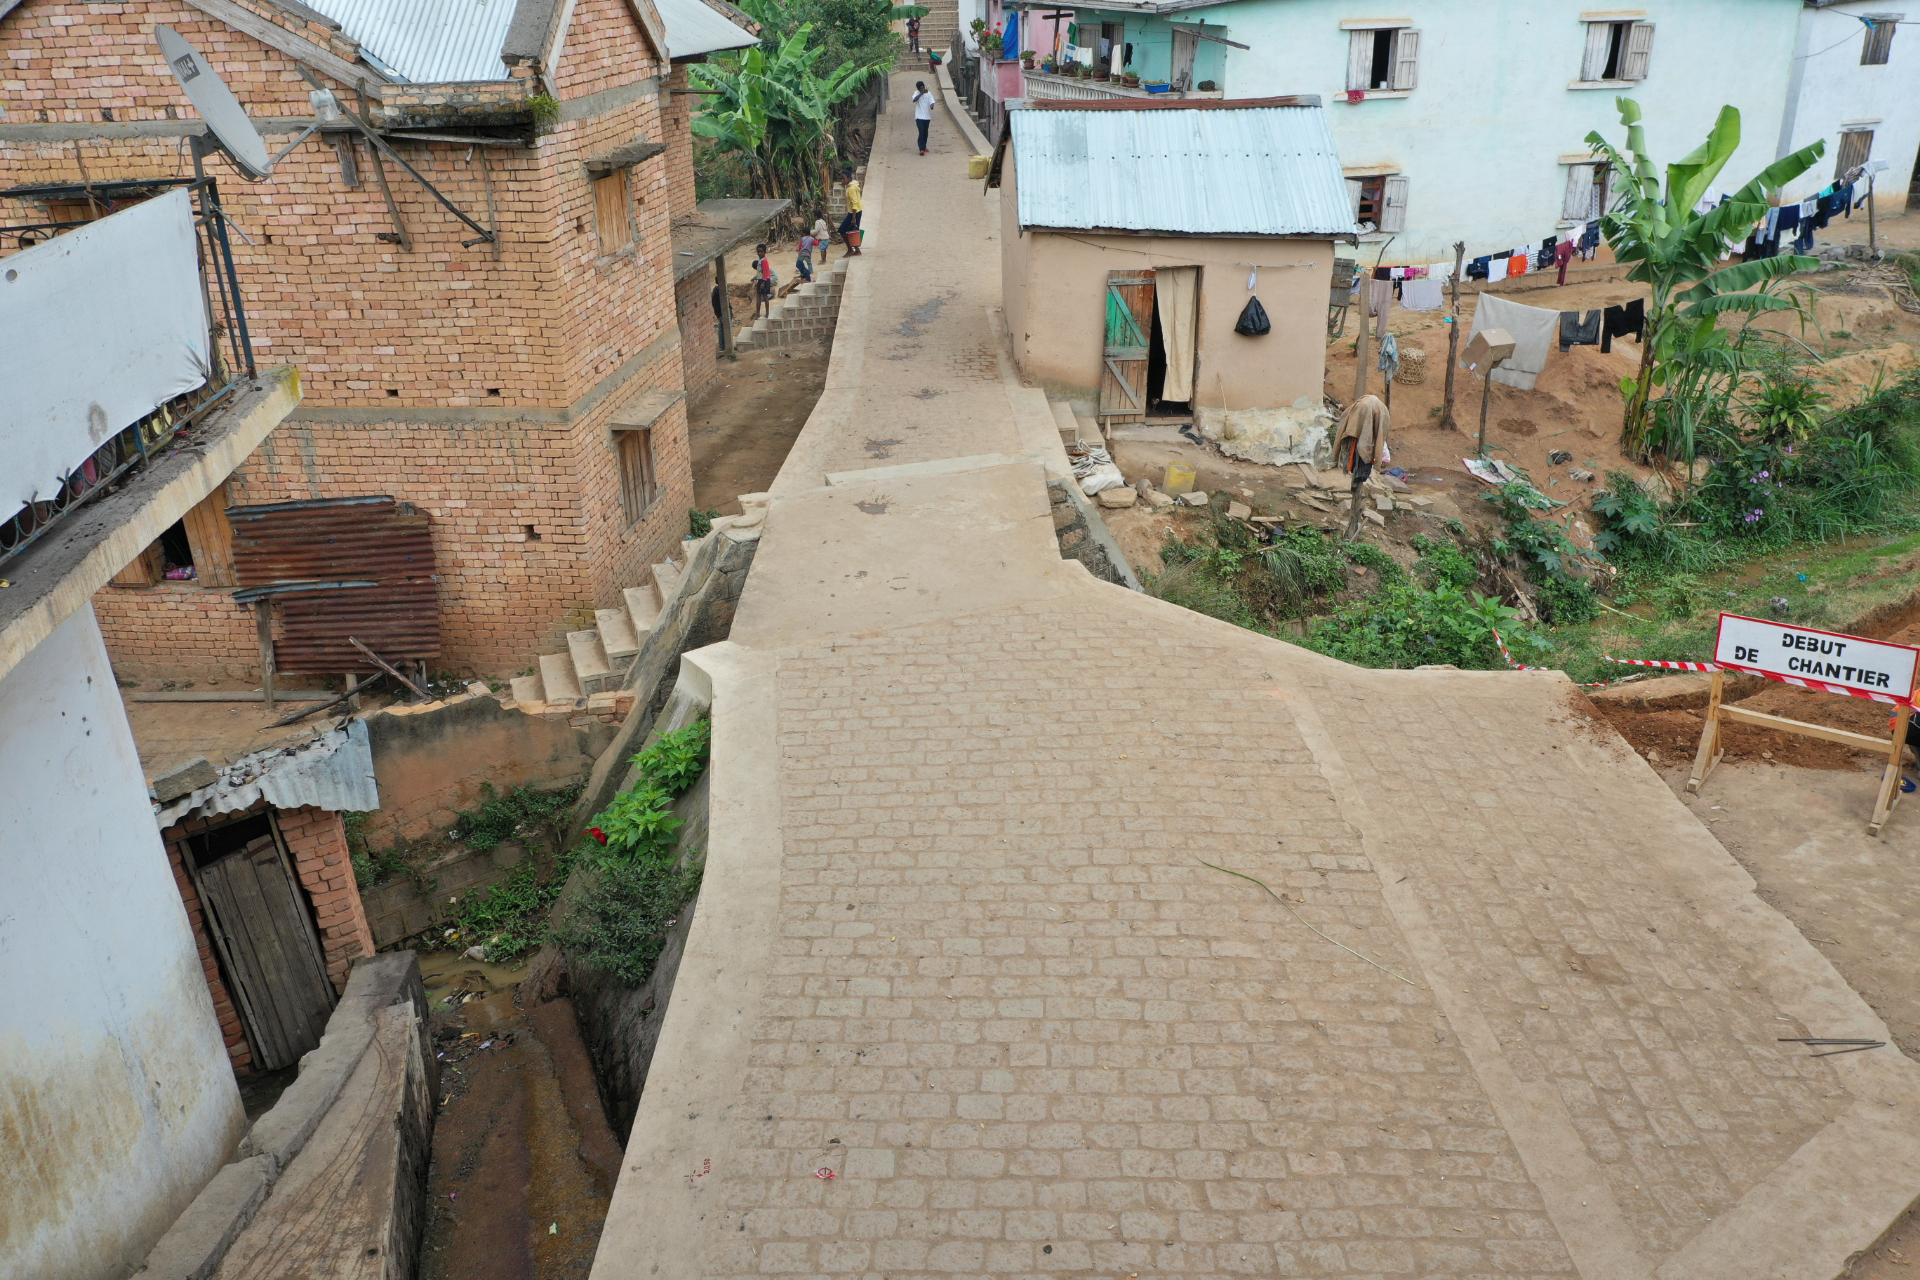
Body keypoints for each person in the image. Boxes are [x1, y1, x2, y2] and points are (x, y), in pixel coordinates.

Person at [1334, 394, 1389, 541]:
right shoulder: (1372, 410)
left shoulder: (1370, 410)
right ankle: (1352, 524)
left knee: (1358, 478)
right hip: (1358, 450)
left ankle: (1353, 525)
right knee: (1358, 477)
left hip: (1361, 452)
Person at [837, 174, 863, 255]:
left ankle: (850, 249)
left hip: (854, 213)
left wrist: (853, 218)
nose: (842, 181)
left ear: (848, 178)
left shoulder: (851, 188)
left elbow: (854, 202)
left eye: (843, 178)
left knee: (842, 230)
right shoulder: (853, 186)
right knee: (853, 231)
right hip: (857, 211)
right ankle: (857, 250)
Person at [750, 243, 774, 318]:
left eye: (761, 252)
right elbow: (760, 272)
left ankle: (764, 313)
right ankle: (759, 313)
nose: (759, 253)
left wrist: (763, 282)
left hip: (764, 280)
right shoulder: (761, 260)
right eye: (758, 252)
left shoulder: (764, 261)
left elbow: (766, 271)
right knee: (760, 296)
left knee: (763, 296)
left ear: (765, 252)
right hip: (762, 280)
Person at [912, 80, 934, 155]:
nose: (923, 89)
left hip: (927, 117)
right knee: (921, 132)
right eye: (921, 88)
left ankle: (924, 147)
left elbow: (932, 102)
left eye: (923, 87)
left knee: (925, 132)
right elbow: (914, 100)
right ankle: (921, 148)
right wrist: (921, 93)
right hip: (919, 117)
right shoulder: (917, 93)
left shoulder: (929, 94)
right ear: (918, 89)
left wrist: (932, 106)